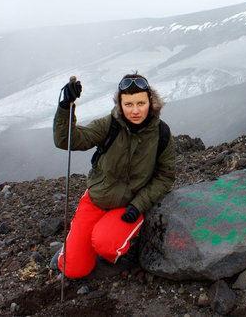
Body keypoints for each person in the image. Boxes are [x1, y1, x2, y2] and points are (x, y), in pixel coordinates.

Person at [50, 73, 176, 278]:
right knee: (74, 270)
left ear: (150, 102)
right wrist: (66, 107)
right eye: (128, 104)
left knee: (106, 244)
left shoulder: (161, 133)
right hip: (96, 200)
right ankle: (76, 246)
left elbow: (165, 176)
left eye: (141, 103)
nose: (135, 110)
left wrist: (139, 205)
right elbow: (67, 140)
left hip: (128, 206)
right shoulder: (109, 125)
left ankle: (110, 237)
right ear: (120, 104)